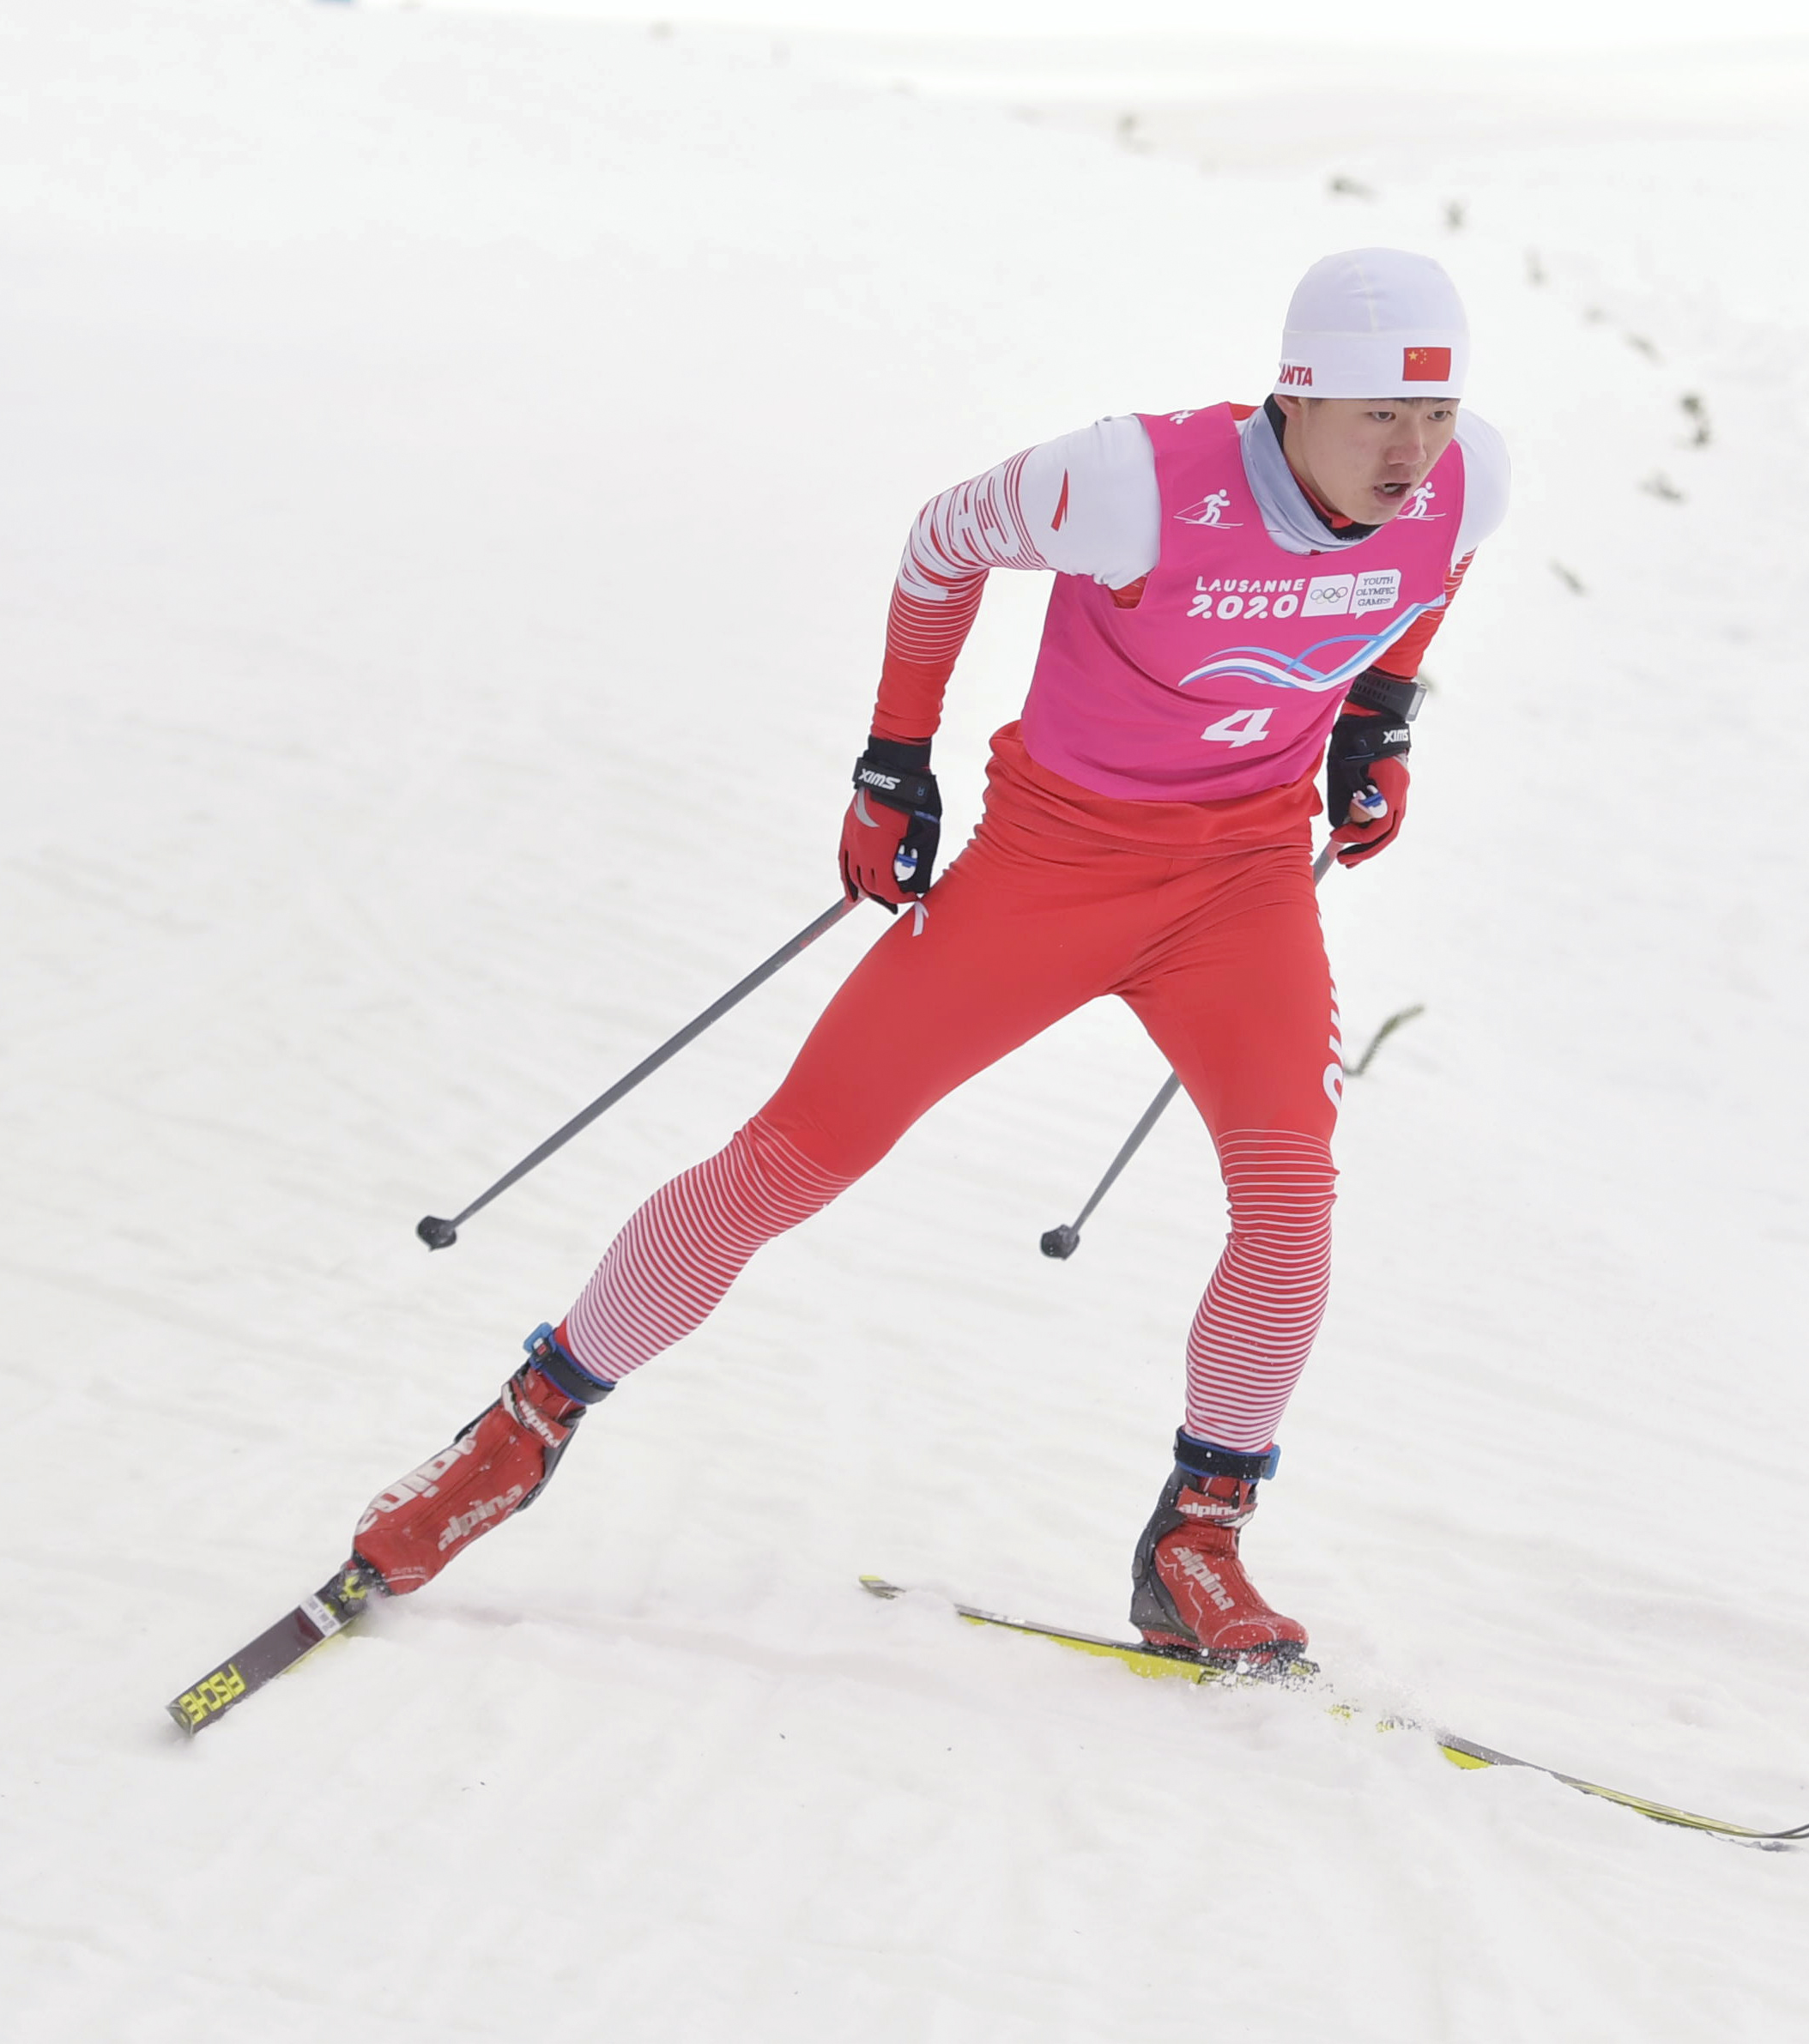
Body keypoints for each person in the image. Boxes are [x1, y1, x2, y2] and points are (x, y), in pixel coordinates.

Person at [350, 248, 1511, 1665]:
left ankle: (1196, 1537)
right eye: (1379, 415)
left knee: (1291, 1206)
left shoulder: (1469, 483)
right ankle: (521, 1427)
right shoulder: (1134, 482)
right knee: (796, 1156)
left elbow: (1425, 574)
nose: (1413, 453)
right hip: (1053, 868)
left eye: (1436, 414)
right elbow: (943, 538)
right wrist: (894, 759)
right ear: (1296, 394)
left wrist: (1376, 721)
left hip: (1242, 882)